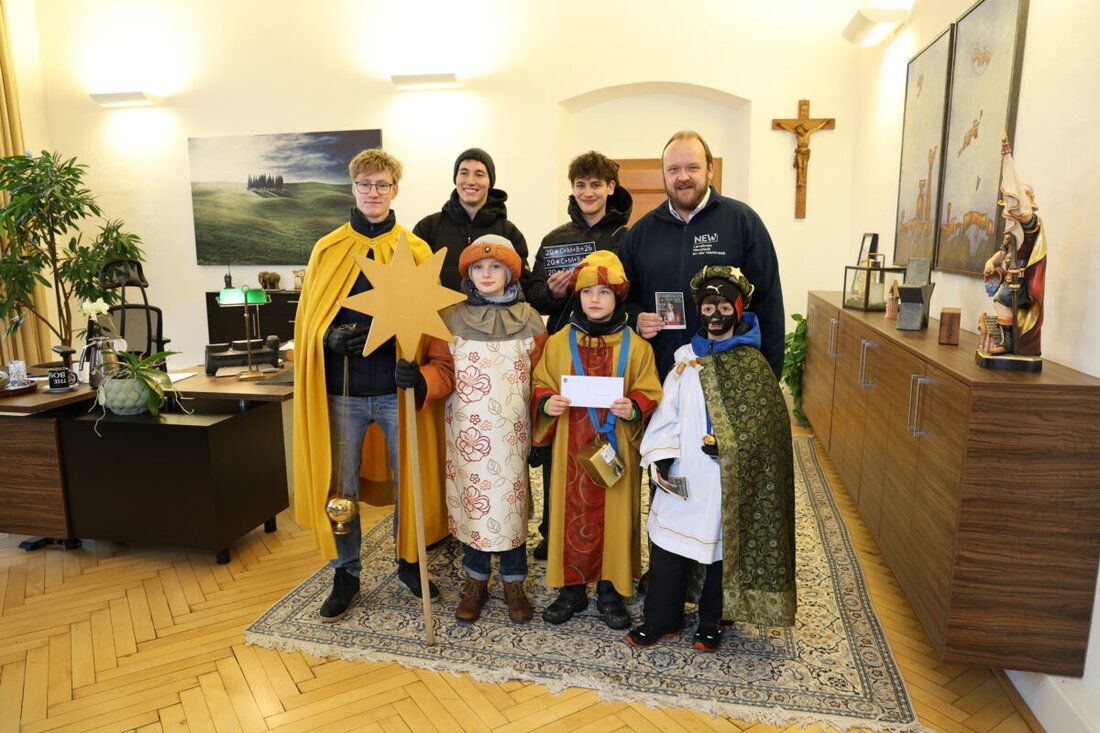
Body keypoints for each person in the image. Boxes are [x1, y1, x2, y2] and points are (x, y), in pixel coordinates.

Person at [293, 148, 448, 623]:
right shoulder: (329, 249)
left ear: (395, 189)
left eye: (382, 185)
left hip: (398, 390)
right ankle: (346, 572)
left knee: (412, 483)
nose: (374, 193)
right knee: (341, 488)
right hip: (344, 392)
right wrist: (328, 336)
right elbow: (308, 322)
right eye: (365, 185)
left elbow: (434, 323)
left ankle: (409, 561)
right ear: (353, 188)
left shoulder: (416, 250)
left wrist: (418, 372)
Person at [628, 266, 796, 651]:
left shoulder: (752, 364)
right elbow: (667, 412)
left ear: (737, 309)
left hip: (725, 479)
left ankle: (711, 620)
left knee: (720, 550)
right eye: (707, 307)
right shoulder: (685, 358)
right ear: (698, 312)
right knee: (668, 547)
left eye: (723, 306)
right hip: (683, 471)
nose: (715, 314)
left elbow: (764, 430)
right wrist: (664, 456)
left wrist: (733, 448)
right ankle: (661, 619)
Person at [397, 235, 547, 624]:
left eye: (495, 267)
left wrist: (540, 432)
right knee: (475, 506)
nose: (486, 274)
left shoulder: (531, 320)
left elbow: (541, 377)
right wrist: (420, 378)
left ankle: (515, 581)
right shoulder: (449, 318)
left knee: (511, 509)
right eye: (478, 268)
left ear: (510, 272)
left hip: (512, 434)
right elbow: (443, 370)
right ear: (467, 274)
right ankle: (475, 580)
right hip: (469, 436)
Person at [532, 250, 662, 630]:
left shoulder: (636, 345)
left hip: (615, 444)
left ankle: (610, 589)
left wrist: (634, 406)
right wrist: (547, 402)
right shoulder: (558, 342)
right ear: (578, 297)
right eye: (588, 292)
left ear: (618, 297)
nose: (595, 300)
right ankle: (571, 590)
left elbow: (651, 389)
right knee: (566, 511)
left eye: (604, 293)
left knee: (616, 516)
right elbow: (540, 382)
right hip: (570, 446)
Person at [525, 151, 633, 560]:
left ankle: (609, 536)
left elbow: (634, 292)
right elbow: (533, 293)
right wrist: (550, 292)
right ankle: (555, 530)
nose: (588, 191)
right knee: (563, 443)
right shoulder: (555, 240)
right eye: (580, 184)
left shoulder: (627, 236)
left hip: (612, 352)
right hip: (567, 352)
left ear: (610, 187)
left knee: (607, 436)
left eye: (596, 184)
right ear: (572, 188)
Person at [618, 130, 785, 380]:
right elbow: (623, 298)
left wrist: (768, 378)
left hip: (730, 378)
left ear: (710, 169)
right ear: (663, 174)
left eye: (692, 168)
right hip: (661, 376)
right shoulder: (641, 233)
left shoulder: (742, 222)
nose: (683, 177)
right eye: (673, 169)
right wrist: (636, 319)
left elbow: (768, 304)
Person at [413, 148, 533, 295]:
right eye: (464, 173)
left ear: (490, 182)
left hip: (492, 318)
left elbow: (523, 286)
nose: (470, 181)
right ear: (455, 178)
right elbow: (412, 280)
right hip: (437, 317)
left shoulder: (509, 233)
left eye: (479, 174)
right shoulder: (428, 228)